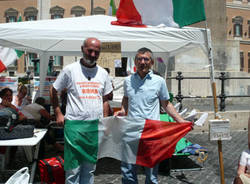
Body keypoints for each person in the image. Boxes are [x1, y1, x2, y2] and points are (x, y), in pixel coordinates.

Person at [114, 47, 188, 184]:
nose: (143, 62)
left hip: (151, 132)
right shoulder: (128, 81)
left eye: (146, 59)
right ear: (135, 62)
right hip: (131, 130)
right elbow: (126, 98)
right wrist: (124, 110)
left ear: (151, 62)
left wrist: (180, 120)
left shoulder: (159, 81)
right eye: (139, 59)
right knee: (128, 170)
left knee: (152, 172)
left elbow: (166, 104)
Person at [50, 37, 113, 184]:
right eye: (90, 50)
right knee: (73, 169)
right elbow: (53, 90)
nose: (92, 54)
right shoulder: (70, 70)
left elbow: (105, 99)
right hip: (74, 126)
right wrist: (58, 112)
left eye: (96, 52)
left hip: (94, 127)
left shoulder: (103, 73)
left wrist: (104, 121)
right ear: (82, 49)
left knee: (89, 169)